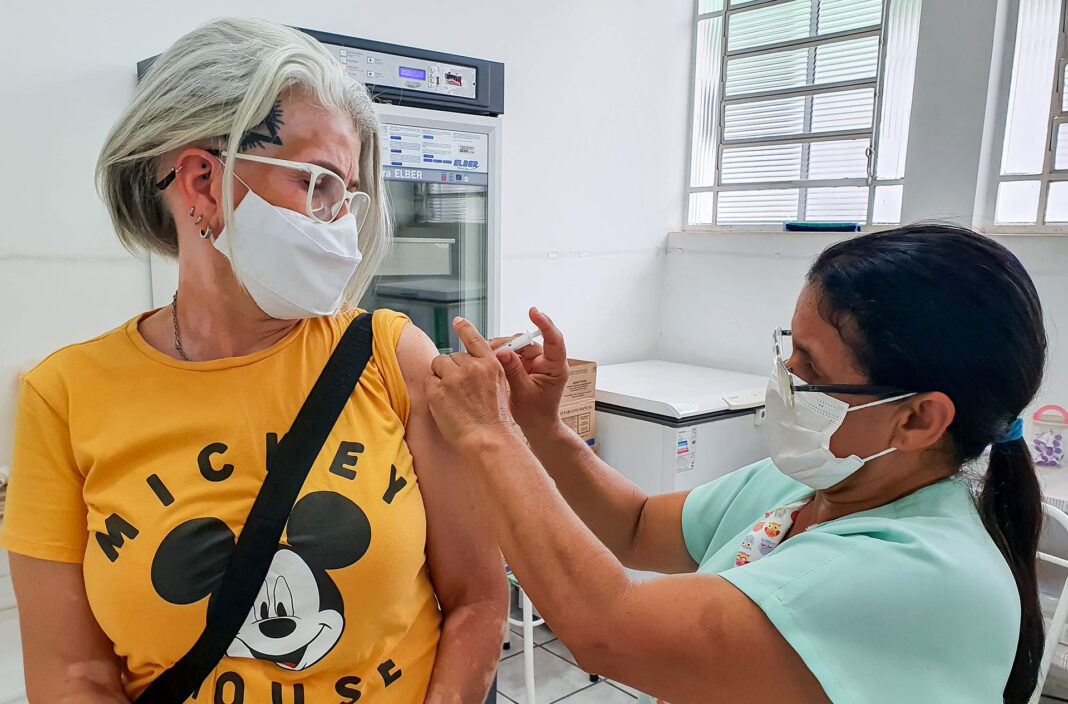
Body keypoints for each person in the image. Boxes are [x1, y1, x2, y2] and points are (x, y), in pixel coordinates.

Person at [0, 18, 506, 704]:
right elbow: (71, 674)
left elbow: (477, 600)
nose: (339, 227)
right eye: (318, 185)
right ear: (204, 183)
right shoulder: (64, 396)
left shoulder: (390, 357)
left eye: (346, 196)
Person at [424, 224, 1047, 703]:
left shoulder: (923, 575)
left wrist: (490, 436)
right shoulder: (823, 481)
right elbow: (636, 525)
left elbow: (608, 628)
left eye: (812, 370)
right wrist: (540, 428)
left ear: (917, 418)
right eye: (789, 350)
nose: (784, 379)